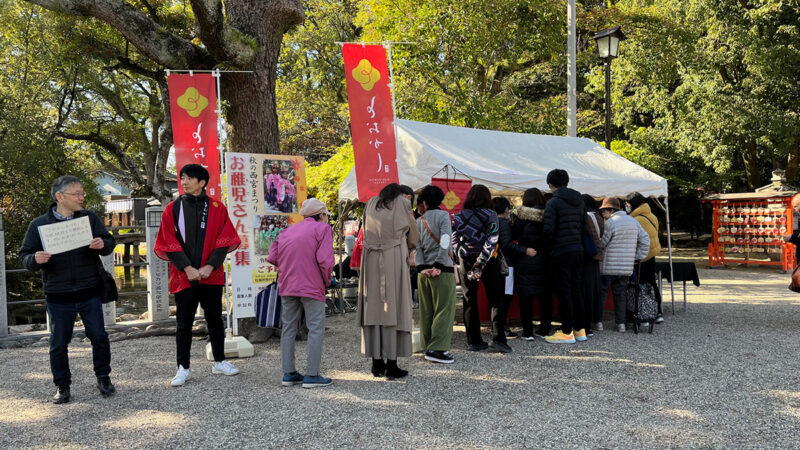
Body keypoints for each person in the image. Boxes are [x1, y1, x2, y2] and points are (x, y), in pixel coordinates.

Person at [19, 175, 117, 404]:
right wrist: (35, 258)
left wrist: (103, 244)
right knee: (58, 342)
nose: (82, 197)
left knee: (99, 337)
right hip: (58, 294)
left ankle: (103, 377)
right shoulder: (39, 225)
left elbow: (109, 241)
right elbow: (24, 256)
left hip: (89, 289)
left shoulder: (89, 218)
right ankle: (62, 386)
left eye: (83, 193)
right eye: (77, 194)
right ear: (60, 197)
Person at [154, 164, 242, 387]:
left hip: (211, 275)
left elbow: (225, 240)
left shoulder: (217, 208)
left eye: (188, 178)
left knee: (215, 319)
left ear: (202, 182)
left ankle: (219, 361)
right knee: (184, 323)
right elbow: (168, 241)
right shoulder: (172, 209)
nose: (183, 182)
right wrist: (187, 268)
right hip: (184, 276)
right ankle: (183, 367)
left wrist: (210, 266)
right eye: (182, 178)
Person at [267, 198, 336, 388]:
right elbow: (325, 260)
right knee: (315, 328)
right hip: (312, 285)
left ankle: (289, 374)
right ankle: (312, 375)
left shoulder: (286, 231)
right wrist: (328, 280)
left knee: (288, 328)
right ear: (321, 215)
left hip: (288, 285)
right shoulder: (323, 229)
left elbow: (272, 256)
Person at [357, 183, 420, 378]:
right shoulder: (403, 203)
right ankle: (392, 364)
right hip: (392, 256)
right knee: (394, 306)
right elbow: (413, 236)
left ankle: (377, 363)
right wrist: (408, 247)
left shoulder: (370, 203)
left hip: (370, 258)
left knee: (373, 308)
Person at [452, 185, 506, 352]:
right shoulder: (491, 215)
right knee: (495, 299)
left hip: (466, 260)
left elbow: (454, 239)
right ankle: (499, 339)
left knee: (469, 300)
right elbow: (493, 239)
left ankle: (473, 341)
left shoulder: (459, 216)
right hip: (488, 261)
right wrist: (482, 260)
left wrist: (463, 253)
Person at [542, 169, 587, 344]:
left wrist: (548, 246)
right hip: (578, 249)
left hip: (561, 251)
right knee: (577, 290)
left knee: (564, 291)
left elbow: (548, 230)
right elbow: (584, 226)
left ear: (551, 184)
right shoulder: (580, 200)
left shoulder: (553, 202)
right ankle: (580, 329)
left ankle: (566, 331)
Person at [415, 185, 457, 364]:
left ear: (424, 202)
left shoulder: (419, 220)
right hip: (442, 270)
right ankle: (437, 348)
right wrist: (439, 264)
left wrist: (422, 267)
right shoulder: (443, 216)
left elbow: (416, 246)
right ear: (441, 200)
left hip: (424, 272)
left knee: (427, 310)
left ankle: (427, 345)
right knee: (444, 309)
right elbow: (446, 239)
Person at [598, 197, 650, 332]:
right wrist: (638, 256)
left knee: (602, 294)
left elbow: (603, 243)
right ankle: (620, 324)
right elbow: (645, 240)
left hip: (608, 267)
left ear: (611, 210)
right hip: (625, 267)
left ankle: (598, 323)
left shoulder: (611, 222)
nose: (603, 215)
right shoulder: (633, 221)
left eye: (604, 211)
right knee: (621, 295)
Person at [494, 196, 536, 340]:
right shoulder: (504, 223)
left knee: (500, 297)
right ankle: (502, 328)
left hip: (497, 263)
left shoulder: (493, 222)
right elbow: (506, 244)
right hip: (506, 264)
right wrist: (525, 250)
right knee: (505, 297)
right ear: (506, 209)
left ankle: (500, 327)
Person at [511, 188, 549, 340]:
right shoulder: (548, 215)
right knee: (544, 296)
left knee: (525, 296)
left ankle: (527, 332)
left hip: (525, 259)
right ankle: (544, 329)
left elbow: (513, 235)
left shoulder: (521, 216)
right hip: (544, 259)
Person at [627, 192, 664, 323]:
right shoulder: (652, 216)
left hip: (641, 256)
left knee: (640, 285)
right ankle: (658, 311)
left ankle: (643, 312)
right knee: (652, 283)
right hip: (652, 254)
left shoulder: (635, 220)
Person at [582, 194, 606, 333]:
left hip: (587, 256)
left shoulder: (586, 217)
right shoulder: (598, 217)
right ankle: (595, 321)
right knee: (593, 291)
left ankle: (586, 323)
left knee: (585, 292)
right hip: (596, 256)